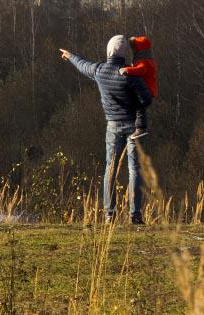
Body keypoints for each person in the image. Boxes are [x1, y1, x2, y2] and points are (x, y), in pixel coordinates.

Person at [59, 35, 153, 225]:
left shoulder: (99, 70)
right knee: (134, 169)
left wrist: (70, 56)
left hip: (112, 126)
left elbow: (83, 65)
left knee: (110, 168)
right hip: (133, 126)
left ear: (109, 51)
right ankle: (135, 215)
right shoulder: (130, 75)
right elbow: (147, 99)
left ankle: (110, 214)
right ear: (124, 52)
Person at [118, 35, 157, 140]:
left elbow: (140, 70)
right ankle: (135, 126)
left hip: (147, 91)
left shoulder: (144, 62)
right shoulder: (147, 60)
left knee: (140, 107)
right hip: (145, 90)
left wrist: (127, 70)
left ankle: (141, 128)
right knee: (138, 107)